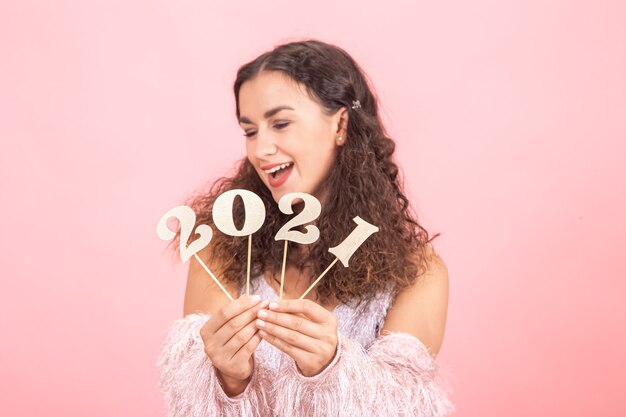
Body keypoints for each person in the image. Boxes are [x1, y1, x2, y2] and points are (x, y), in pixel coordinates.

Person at [157, 39, 455, 417]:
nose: (261, 149)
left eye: (280, 123)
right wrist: (227, 379)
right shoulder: (222, 243)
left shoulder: (416, 271)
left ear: (340, 124)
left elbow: (403, 408)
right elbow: (190, 409)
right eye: (250, 131)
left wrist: (332, 368)